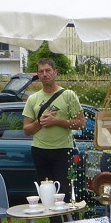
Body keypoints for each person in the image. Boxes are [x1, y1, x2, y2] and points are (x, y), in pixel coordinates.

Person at [21, 57, 85, 198]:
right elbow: (26, 130)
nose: (45, 74)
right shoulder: (33, 99)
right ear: (38, 75)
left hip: (63, 149)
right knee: (47, 194)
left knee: (65, 192)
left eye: (48, 70)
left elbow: (81, 123)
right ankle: (55, 221)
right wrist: (40, 122)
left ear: (55, 72)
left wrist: (57, 121)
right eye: (41, 71)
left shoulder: (69, 95)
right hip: (40, 150)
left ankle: (68, 220)